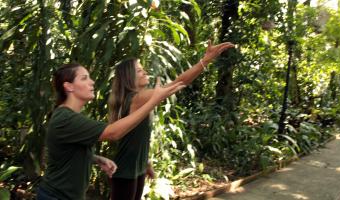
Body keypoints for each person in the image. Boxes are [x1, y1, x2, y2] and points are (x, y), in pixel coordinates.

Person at [36, 63, 185, 200]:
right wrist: (154, 101)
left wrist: (96, 159)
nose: (92, 82)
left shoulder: (70, 116)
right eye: (84, 78)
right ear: (69, 86)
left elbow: (66, 152)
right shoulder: (65, 118)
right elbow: (113, 133)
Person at [108, 41, 235, 200]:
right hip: (125, 171)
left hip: (136, 168)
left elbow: (137, 138)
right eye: (139, 70)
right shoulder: (137, 98)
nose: (145, 72)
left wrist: (146, 162)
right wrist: (206, 60)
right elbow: (178, 83)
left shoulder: (141, 98)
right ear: (128, 77)